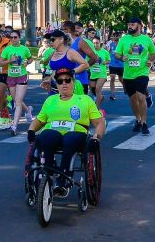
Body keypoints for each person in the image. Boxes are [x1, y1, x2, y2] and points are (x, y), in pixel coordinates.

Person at [27, 68, 106, 196]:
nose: (64, 83)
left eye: (67, 80)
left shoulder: (85, 100)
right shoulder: (50, 100)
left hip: (76, 132)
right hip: (52, 130)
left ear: (73, 82)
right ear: (56, 84)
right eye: (60, 81)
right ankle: (47, 172)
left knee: (70, 139)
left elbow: (99, 123)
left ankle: (64, 179)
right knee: (47, 136)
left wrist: (97, 137)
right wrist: (31, 130)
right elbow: (40, 120)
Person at [114, 17, 155, 135]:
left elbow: (153, 53)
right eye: (129, 24)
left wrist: (150, 61)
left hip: (142, 72)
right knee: (133, 100)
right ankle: (138, 120)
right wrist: (121, 57)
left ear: (139, 26)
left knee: (140, 97)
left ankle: (144, 123)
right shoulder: (124, 39)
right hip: (128, 74)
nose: (130, 26)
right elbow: (117, 54)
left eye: (132, 24)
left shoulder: (146, 39)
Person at [0, 30, 33, 136]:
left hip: (22, 76)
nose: (13, 39)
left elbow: (31, 59)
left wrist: (27, 62)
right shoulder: (7, 49)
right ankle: (28, 110)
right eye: (11, 37)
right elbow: (1, 63)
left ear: (19, 38)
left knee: (18, 102)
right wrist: (10, 60)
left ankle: (14, 126)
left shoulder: (24, 49)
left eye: (15, 37)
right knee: (16, 99)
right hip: (11, 77)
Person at [42, 29, 89, 96]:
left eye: (53, 40)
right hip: (53, 88)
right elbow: (56, 70)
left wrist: (71, 72)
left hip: (67, 87)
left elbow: (85, 64)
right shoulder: (53, 53)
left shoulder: (70, 52)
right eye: (49, 41)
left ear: (61, 40)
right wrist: (49, 80)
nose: (51, 42)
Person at [70, 24, 99, 95]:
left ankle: (96, 98)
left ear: (83, 30)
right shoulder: (65, 41)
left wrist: (85, 67)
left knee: (81, 103)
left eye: (78, 28)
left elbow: (95, 57)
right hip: (67, 79)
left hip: (81, 78)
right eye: (74, 28)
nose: (76, 29)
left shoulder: (85, 42)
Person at [89, 37, 110, 108]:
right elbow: (87, 62)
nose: (95, 45)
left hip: (102, 74)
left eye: (97, 43)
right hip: (93, 73)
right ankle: (100, 97)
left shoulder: (105, 52)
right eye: (94, 43)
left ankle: (97, 108)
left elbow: (109, 60)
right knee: (92, 90)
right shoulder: (90, 52)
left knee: (97, 89)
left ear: (100, 43)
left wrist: (104, 62)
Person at [106, 32, 124, 101]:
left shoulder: (122, 44)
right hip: (112, 64)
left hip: (120, 65)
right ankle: (112, 94)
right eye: (114, 36)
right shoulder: (110, 44)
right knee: (112, 78)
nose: (116, 37)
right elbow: (107, 51)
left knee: (121, 79)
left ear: (119, 37)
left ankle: (125, 88)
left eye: (117, 36)